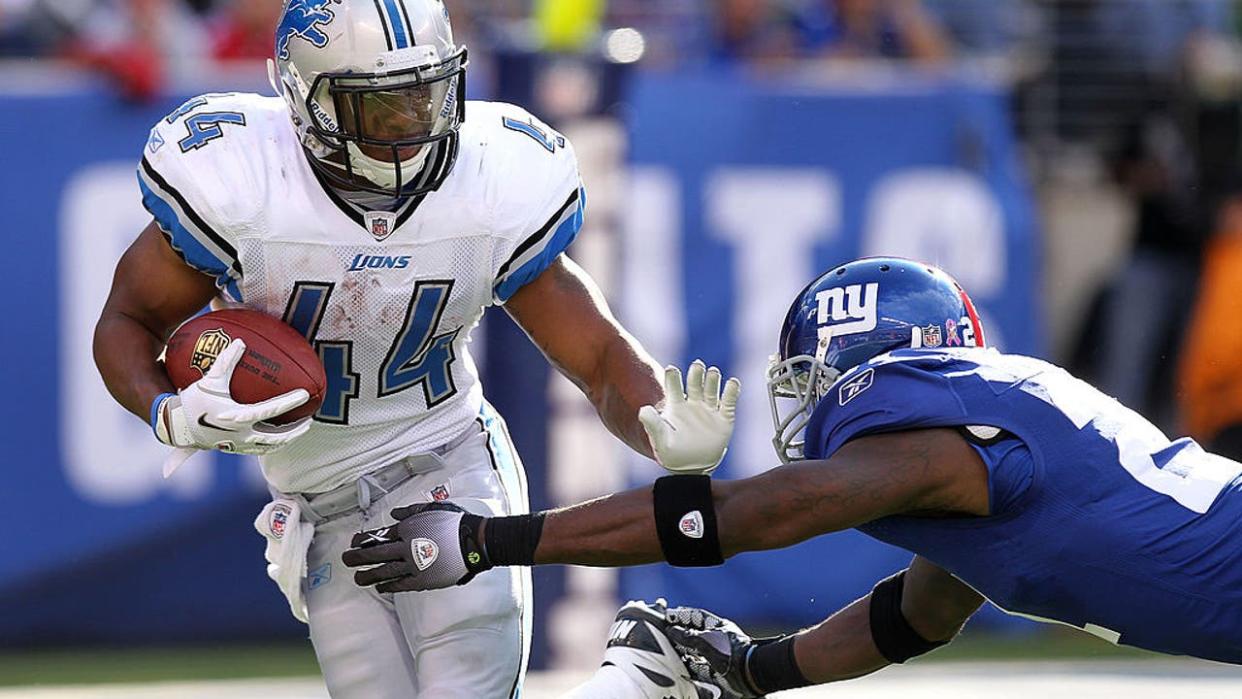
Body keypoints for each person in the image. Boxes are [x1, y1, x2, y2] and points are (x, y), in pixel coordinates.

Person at [92, 1, 737, 697]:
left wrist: (660, 426)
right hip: (317, 503)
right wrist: (168, 412)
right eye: (381, 107)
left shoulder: (490, 181)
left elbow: (599, 356)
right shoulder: (243, 179)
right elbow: (128, 319)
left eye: (425, 96)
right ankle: (639, 684)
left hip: (447, 463)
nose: (412, 126)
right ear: (307, 103)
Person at [344, 257, 1242, 698]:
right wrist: (754, 671)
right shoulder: (978, 446)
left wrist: (487, 540)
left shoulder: (921, 428)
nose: (806, 403)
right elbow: (919, 612)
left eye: (812, 375)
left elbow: (762, 513)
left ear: (873, 363)